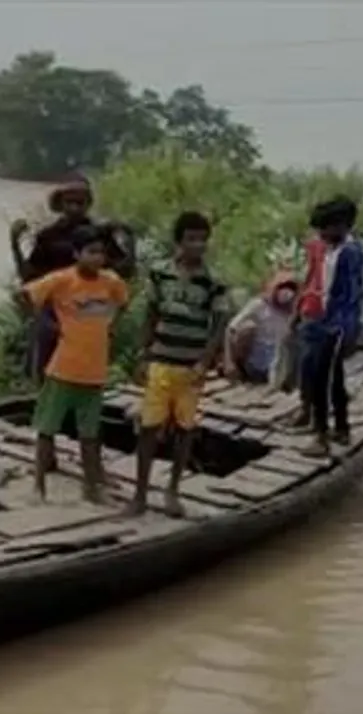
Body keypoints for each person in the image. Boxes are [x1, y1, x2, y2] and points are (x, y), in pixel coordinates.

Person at [128, 212, 230, 518]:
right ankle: (140, 494)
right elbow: (151, 314)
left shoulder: (213, 282)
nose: (198, 246)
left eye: (202, 240)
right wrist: (143, 355)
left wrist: (205, 362)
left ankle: (172, 490)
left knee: (185, 431)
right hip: (161, 361)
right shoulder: (160, 273)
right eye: (191, 239)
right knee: (148, 428)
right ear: (179, 241)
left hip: (190, 368)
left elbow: (219, 324)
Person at [19, 226, 129, 504]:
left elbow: (123, 302)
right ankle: (39, 486)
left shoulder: (111, 282)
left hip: (94, 373)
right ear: (77, 254)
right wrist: (44, 322)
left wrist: (112, 325)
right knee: (47, 429)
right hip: (63, 370)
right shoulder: (62, 280)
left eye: (101, 252)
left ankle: (91, 487)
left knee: (90, 435)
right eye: (91, 252)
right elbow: (24, 295)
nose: (97, 258)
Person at [10, 176, 136, 383]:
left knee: (85, 370)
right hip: (54, 312)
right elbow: (29, 277)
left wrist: (131, 243)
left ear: (88, 204)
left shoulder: (100, 235)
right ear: (60, 204)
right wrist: (15, 244)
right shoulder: (48, 236)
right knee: (46, 367)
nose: (75, 208)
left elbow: (124, 272)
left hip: (88, 310)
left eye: (81, 203)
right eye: (70, 202)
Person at [298, 196, 363, 457]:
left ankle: (322, 436)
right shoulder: (331, 249)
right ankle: (341, 428)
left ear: (341, 226)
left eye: (325, 228)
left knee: (321, 381)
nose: (321, 234)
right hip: (325, 320)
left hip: (337, 326)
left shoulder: (350, 253)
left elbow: (352, 296)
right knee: (334, 378)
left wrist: (342, 330)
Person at [224, 270, 300, 389]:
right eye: (282, 287)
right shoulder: (258, 305)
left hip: (278, 367)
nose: (287, 292)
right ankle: (240, 370)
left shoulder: (294, 313)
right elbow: (231, 328)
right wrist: (229, 361)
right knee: (247, 328)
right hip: (255, 363)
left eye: (291, 288)